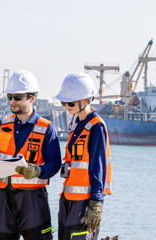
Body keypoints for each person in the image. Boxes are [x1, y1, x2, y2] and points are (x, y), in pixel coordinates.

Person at [0, 70, 61, 240]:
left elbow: (54, 163)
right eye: (10, 96)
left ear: (32, 98)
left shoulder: (47, 129)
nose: (12, 101)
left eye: (17, 97)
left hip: (33, 200)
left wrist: (38, 171)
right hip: (2, 198)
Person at [56, 72, 112, 240]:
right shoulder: (76, 126)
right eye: (63, 102)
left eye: (70, 102)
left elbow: (98, 167)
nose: (66, 106)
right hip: (68, 200)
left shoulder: (96, 127)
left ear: (86, 99)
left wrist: (95, 203)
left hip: (85, 202)